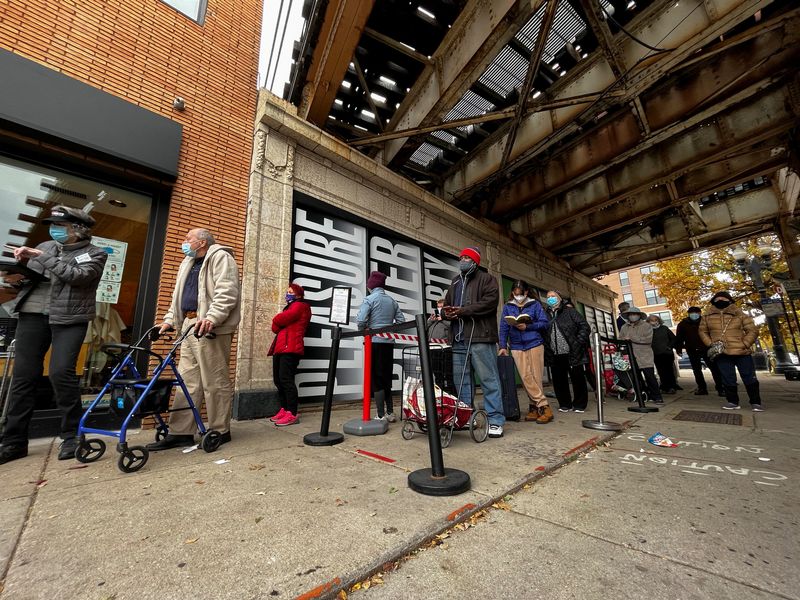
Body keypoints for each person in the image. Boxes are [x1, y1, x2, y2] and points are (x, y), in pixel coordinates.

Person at [0, 205, 108, 465]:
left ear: (78, 230)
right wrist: (15, 276)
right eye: (53, 225)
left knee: (61, 372)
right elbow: (33, 278)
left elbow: (77, 277)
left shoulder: (96, 253)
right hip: (32, 314)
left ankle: (71, 435)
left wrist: (41, 257)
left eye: (61, 226)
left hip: (70, 318)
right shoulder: (46, 246)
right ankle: (14, 441)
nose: (54, 230)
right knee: (24, 376)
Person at [147, 229, 241, 450]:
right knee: (187, 380)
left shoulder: (221, 257)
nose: (184, 242)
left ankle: (220, 429)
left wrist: (212, 317)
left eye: (188, 239)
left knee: (214, 379)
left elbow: (227, 292)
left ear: (201, 242)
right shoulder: (187, 263)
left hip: (209, 325)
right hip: (188, 324)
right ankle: (181, 432)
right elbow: (178, 298)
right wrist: (169, 320)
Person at [442, 247, 505, 438]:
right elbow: (446, 306)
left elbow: (490, 303)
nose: (463, 260)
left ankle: (495, 420)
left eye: (467, 257)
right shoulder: (454, 282)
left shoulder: (487, 279)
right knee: (462, 382)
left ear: (475, 261)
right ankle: (465, 416)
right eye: (461, 257)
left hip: (480, 338)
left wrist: (463, 311)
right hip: (459, 339)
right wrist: (448, 312)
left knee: (489, 380)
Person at [498, 281, 552, 424]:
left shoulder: (535, 305)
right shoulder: (508, 307)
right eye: (515, 293)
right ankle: (543, 405)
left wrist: (528, 326)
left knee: (536, 377)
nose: (517, 296)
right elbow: (503, 327)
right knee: (525, 377)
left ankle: (534, 408)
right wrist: (503, 346)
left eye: (520, 293)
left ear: (526, 292)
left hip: (535, 343)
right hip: (516, 346)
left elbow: (545, 323)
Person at [698, 291, 762, 411]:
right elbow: (702, 331)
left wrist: (745, 343)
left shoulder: (740, 314)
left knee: (749, 377)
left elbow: (752, 330)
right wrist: (710, 344)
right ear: (713, 301)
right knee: (727, 378)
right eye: (717, 299)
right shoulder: (707, 316)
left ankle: (755, 402)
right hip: (722, 352)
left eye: (723, 298)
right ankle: (732, 401)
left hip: (741, 351)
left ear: (730, 300)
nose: (720, 301)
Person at [357, 271, 405, 422]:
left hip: (374, 343)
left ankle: (380, 414)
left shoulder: (369, 299)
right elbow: (401, 321)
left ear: (371, 285)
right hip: (389, 344)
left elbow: (360, 321)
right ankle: (390, 412)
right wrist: (389, 331)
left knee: (376, 379)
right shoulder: (391, 301)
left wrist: (366, 329)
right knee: (386, 377)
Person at [268, 282, 311, 427]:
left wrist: (278, 318)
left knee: (286, 380)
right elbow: (275, 328)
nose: (288, 293)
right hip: (280, 348)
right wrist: (279, 319)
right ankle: (284, 409)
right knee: (278, 380)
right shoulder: (289, 307)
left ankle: (292, 413)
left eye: (290, 291)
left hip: (291, 348)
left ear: (298, 293)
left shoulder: (301, 305)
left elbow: (279, 320)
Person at [543, 290, 591, 413]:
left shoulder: (570, 311)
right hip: (554, 353)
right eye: (548, 297)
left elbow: (584, 326)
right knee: (559, 380)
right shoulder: (544, 314)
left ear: (560, 298)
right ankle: (565, 404)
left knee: (577, 378)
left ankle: (579, 404)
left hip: (572, 351)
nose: (550, 298)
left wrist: (578, 342)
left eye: (553, 296)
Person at [675, 306, 723, 396]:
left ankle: (720, 388)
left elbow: (714, 333)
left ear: (700, 313)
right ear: (688, 314)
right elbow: (679, 338)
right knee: (696, 370)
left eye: (696, 312)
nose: (694, 314)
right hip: (692, 349)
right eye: (691, 313)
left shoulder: (706, 322)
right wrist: (679, 349)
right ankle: (702, 388)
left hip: (707, 348)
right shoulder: (682, 324)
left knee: (714, 368)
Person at [619, 306, 663, 404]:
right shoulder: (624, 327)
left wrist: (631, 338)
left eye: (634, 314)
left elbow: (648, 340)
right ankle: (643, 395)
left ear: (639, 315)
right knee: (636, 377)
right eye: (630, 314)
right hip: (630, 355)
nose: (632, 316)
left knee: (650, 376)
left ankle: (657, 396)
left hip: (645, 355)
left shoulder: (646, 326)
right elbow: (620, 339)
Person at [647, 314, 677, 393]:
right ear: (648, 322)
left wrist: (669, 347)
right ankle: (664, 387)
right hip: (656, 354)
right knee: (661, 371)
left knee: (669, 370)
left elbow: (673, 339)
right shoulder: (648, 331)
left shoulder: (664, 328)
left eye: (655, 320)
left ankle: (672, 387)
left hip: (667, 353)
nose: (654, 322)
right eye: (651, 321)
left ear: (658, 320)